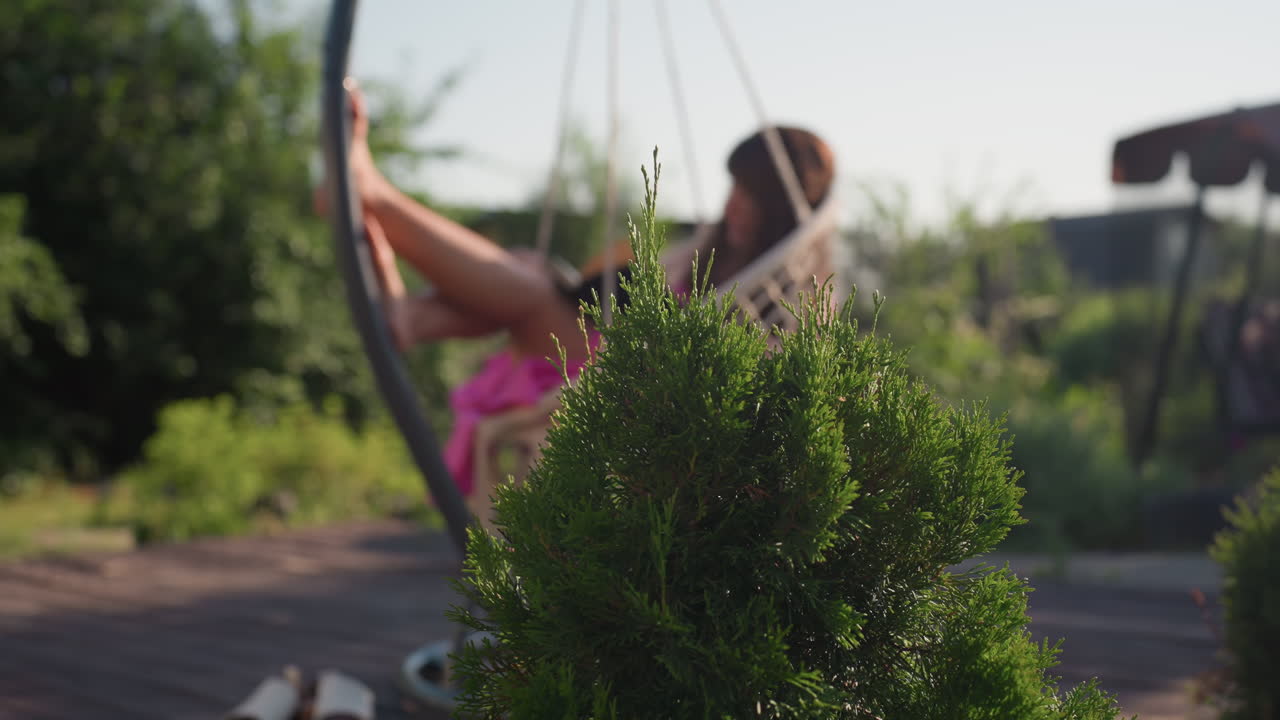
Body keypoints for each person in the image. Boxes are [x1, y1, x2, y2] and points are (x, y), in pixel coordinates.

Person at [319, 79, 836, 502]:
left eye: (754, 194)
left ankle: (377, 203)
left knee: (533, 293)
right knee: (531, 273)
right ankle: (408, 308)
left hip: (628, 403)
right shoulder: (705, 253)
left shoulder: (790, 297)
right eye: (736, 187)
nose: (736, 204)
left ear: (785, 208)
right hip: (593, 365)